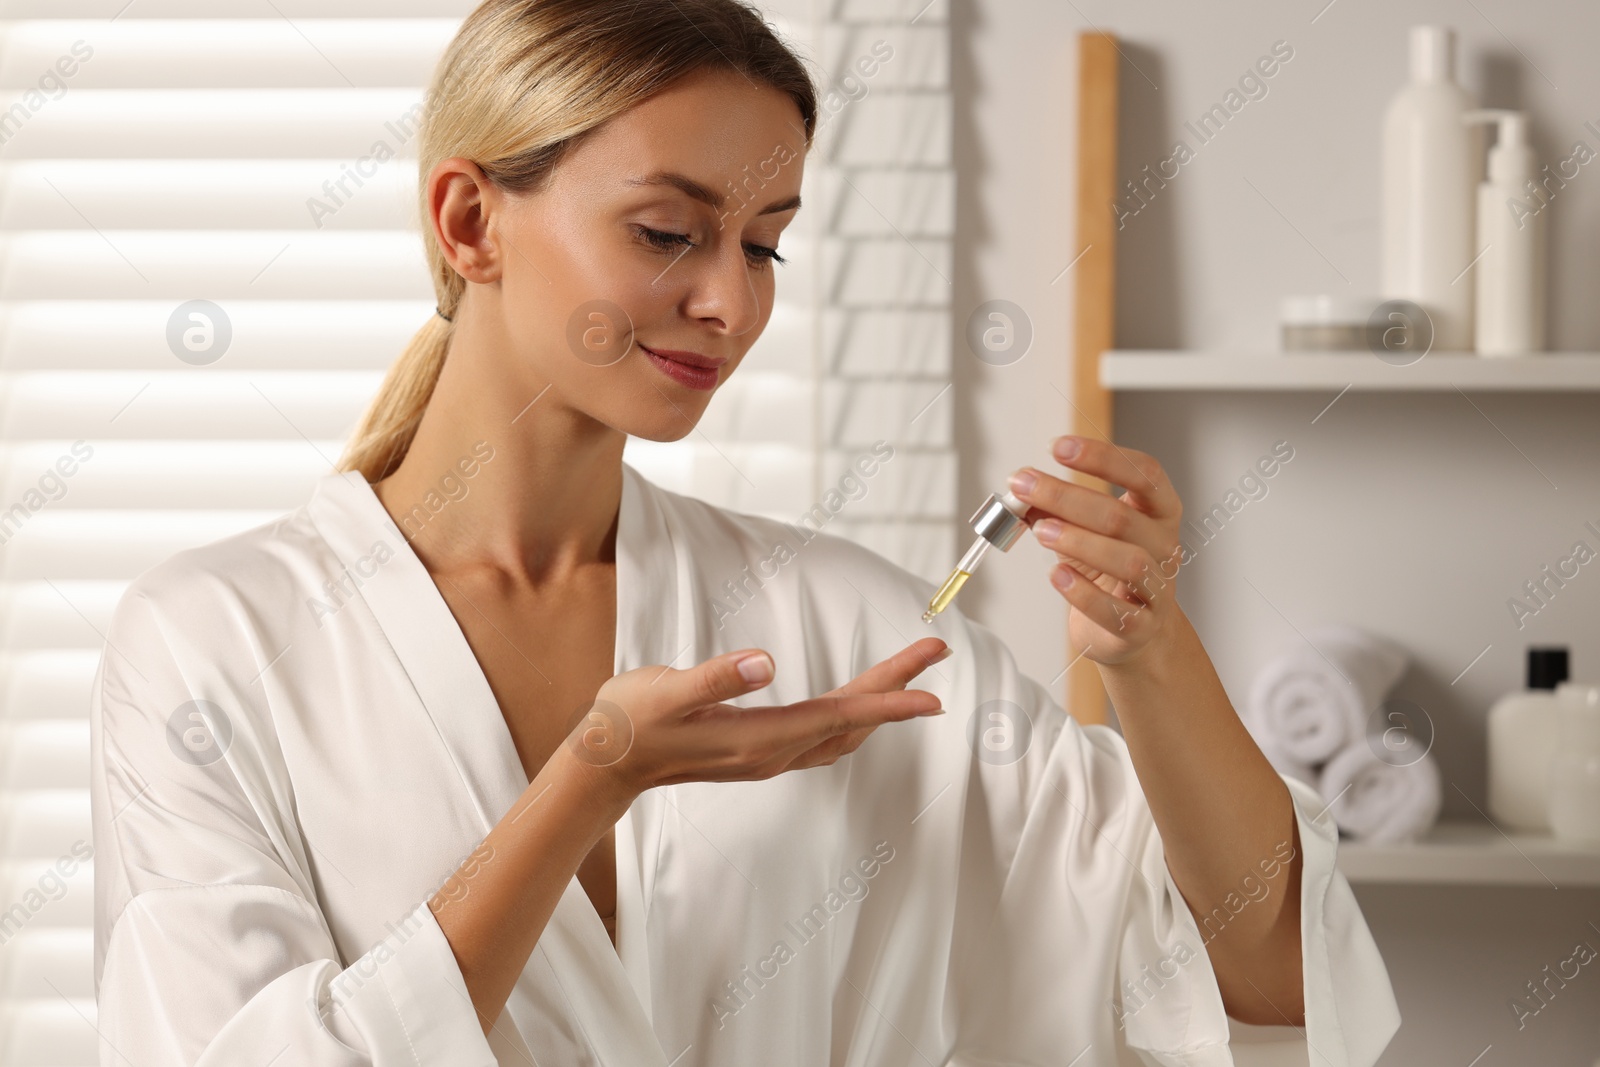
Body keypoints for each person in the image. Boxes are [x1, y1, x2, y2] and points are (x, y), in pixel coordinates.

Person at [89, 1, 1400, 1064]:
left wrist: (1150, 654)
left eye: (766, 247)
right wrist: (589, 779)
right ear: (470, 221)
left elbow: (1268, 976)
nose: (728, 300)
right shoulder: (214, 646)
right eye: (669, 232)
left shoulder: (844, 631)